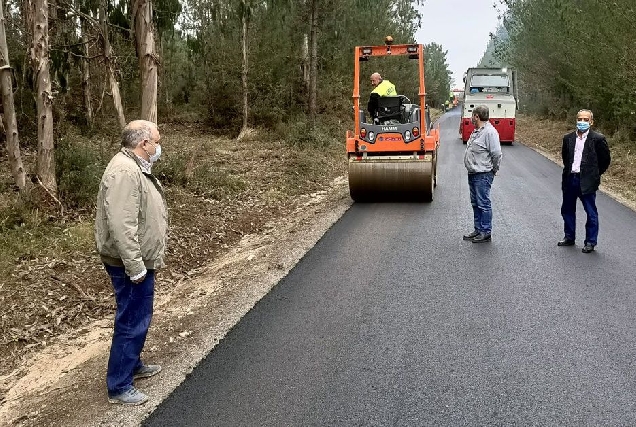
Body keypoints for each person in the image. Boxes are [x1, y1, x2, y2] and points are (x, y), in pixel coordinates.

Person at [95, 120, 168, 405]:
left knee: (138, 314)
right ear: (143, 144)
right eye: (157, 141)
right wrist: (135, 265)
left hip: (137, 259)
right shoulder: (125, 171)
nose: (159, 146)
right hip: (129, 262)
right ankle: (119, 385)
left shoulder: (134, 165)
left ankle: (132, 364)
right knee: (132, 319)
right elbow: (122, 224)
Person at [557, 109, 611, 253]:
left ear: (591, 122)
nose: (582, 122)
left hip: (587, 181)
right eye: (580, 119)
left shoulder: (598, 139)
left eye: (586, 119)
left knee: (590, 212)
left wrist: (594, 175)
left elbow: (605, 160)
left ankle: (590, 242)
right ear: (576, 120)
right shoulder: (568, 138)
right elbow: (566, 158)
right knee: (567, 209)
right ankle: (569, 237)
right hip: (570, 179)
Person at [462, 105, 502, 243]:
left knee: (483, 203)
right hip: (473, 173)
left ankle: (486, 232)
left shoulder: (490, 132)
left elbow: (496, 154)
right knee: (475, 203)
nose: (471, 118)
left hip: (483, 173)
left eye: (472, 115)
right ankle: (478, 229)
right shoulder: (477, 131)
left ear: (477, 116)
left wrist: (493, 170)